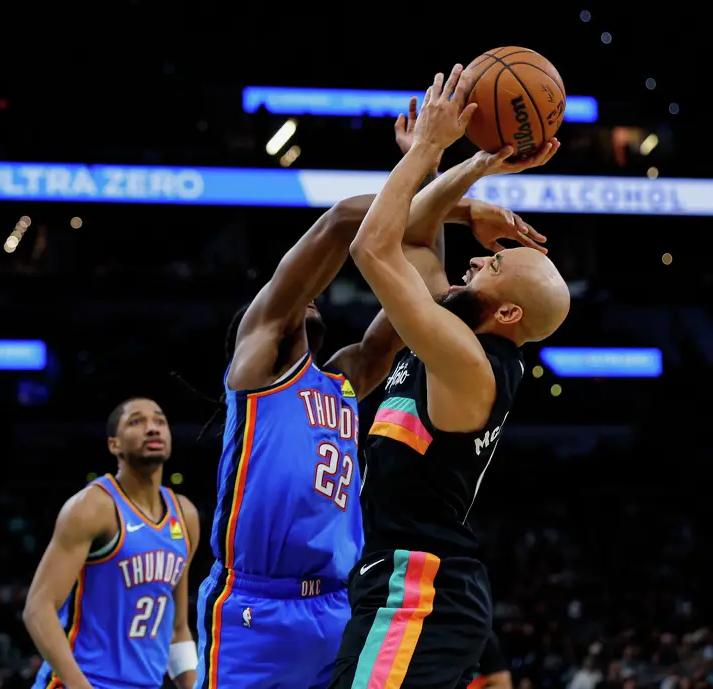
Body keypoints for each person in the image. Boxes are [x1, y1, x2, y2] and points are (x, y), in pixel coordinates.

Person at [195, 95, 552, 689]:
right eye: (290, 296)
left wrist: (431, 170)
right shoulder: (256, 369)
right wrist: (462, 200)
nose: (305, 294)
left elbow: (417, 275)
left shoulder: (347, 375)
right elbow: (343, 224)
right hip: (256, 606)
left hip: (339, 602)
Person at [329, 64, 569, 689]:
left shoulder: (469, 362)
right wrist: (479, 163)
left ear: (509, 312)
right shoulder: (460, 335)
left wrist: (435, 146)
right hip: (410, 584)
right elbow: (412, 238)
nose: (477, 256)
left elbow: (372, 249)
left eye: (493, 264)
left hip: (417, 590)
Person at [25, 398, 200, 689]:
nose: (152, 429)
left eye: (160, 421)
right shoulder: (93, 507)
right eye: (136, 422)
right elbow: (38, 608)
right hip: (81, 681)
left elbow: (177, 629)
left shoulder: (185, 515)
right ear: (114, 445)